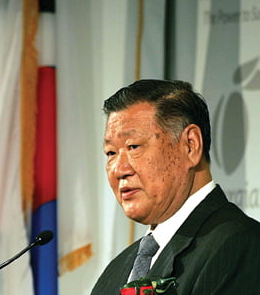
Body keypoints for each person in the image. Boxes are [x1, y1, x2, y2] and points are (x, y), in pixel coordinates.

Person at [91, 79, 260, 294]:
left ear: (191, 146)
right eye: (111, 153)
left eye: (133, 146)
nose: (118, 169)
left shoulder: (239, 247)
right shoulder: (116, 272)